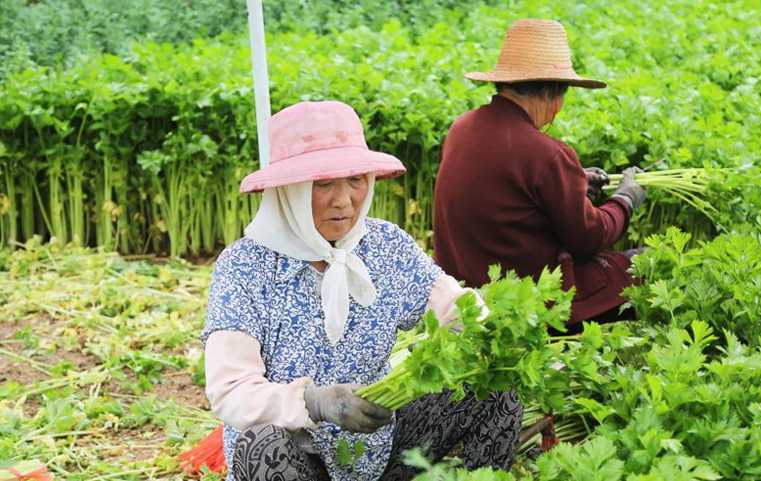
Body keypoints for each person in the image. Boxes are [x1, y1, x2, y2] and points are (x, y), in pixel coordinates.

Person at [202, 100, 522, 481]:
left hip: (379, 451)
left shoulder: (385, 245)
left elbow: (456, 308)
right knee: (261, 443)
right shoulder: (246, 267)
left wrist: (498, 335)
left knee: (493, 388)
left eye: (356, 180)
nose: (345, 200)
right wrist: (316, 402)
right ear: (288, 190)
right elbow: (230, 391)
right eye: (323, 184)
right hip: (296, 462)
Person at [433, 19, 647, 332]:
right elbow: (588, 239)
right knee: (643, 265)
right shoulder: (547, 153)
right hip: (528, 303)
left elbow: (511, 193)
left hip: (465, 292)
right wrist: (625, 200)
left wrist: (576, 183)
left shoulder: (462, 128)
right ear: (551, 93)